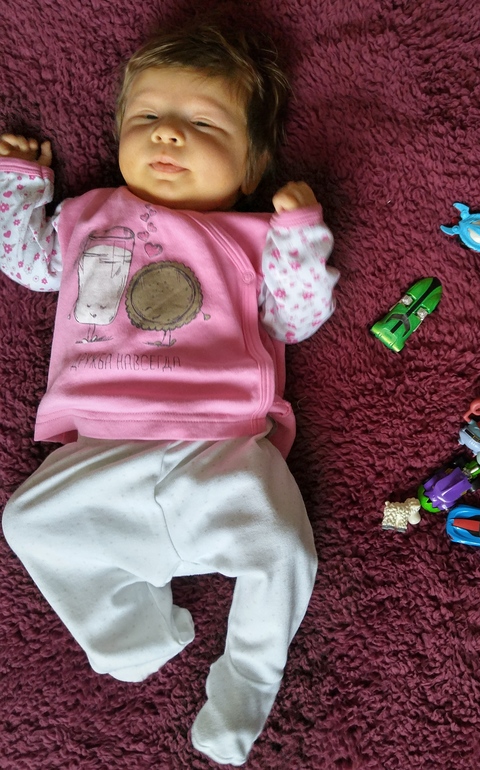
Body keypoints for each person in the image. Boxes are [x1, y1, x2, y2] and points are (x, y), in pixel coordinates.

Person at [0, 23, 338, 767]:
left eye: (203, 124)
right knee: (28, 521)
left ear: (251, 164)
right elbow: (27, 264)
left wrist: (300, 240)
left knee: (284, 547)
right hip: (100, 446)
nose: (169, 134)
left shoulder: (252, 237)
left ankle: (248, 679)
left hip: (222, 445)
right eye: (148, 116)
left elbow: (297, 318)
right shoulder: (87, 217)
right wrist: (19, 186)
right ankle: (132, 636)